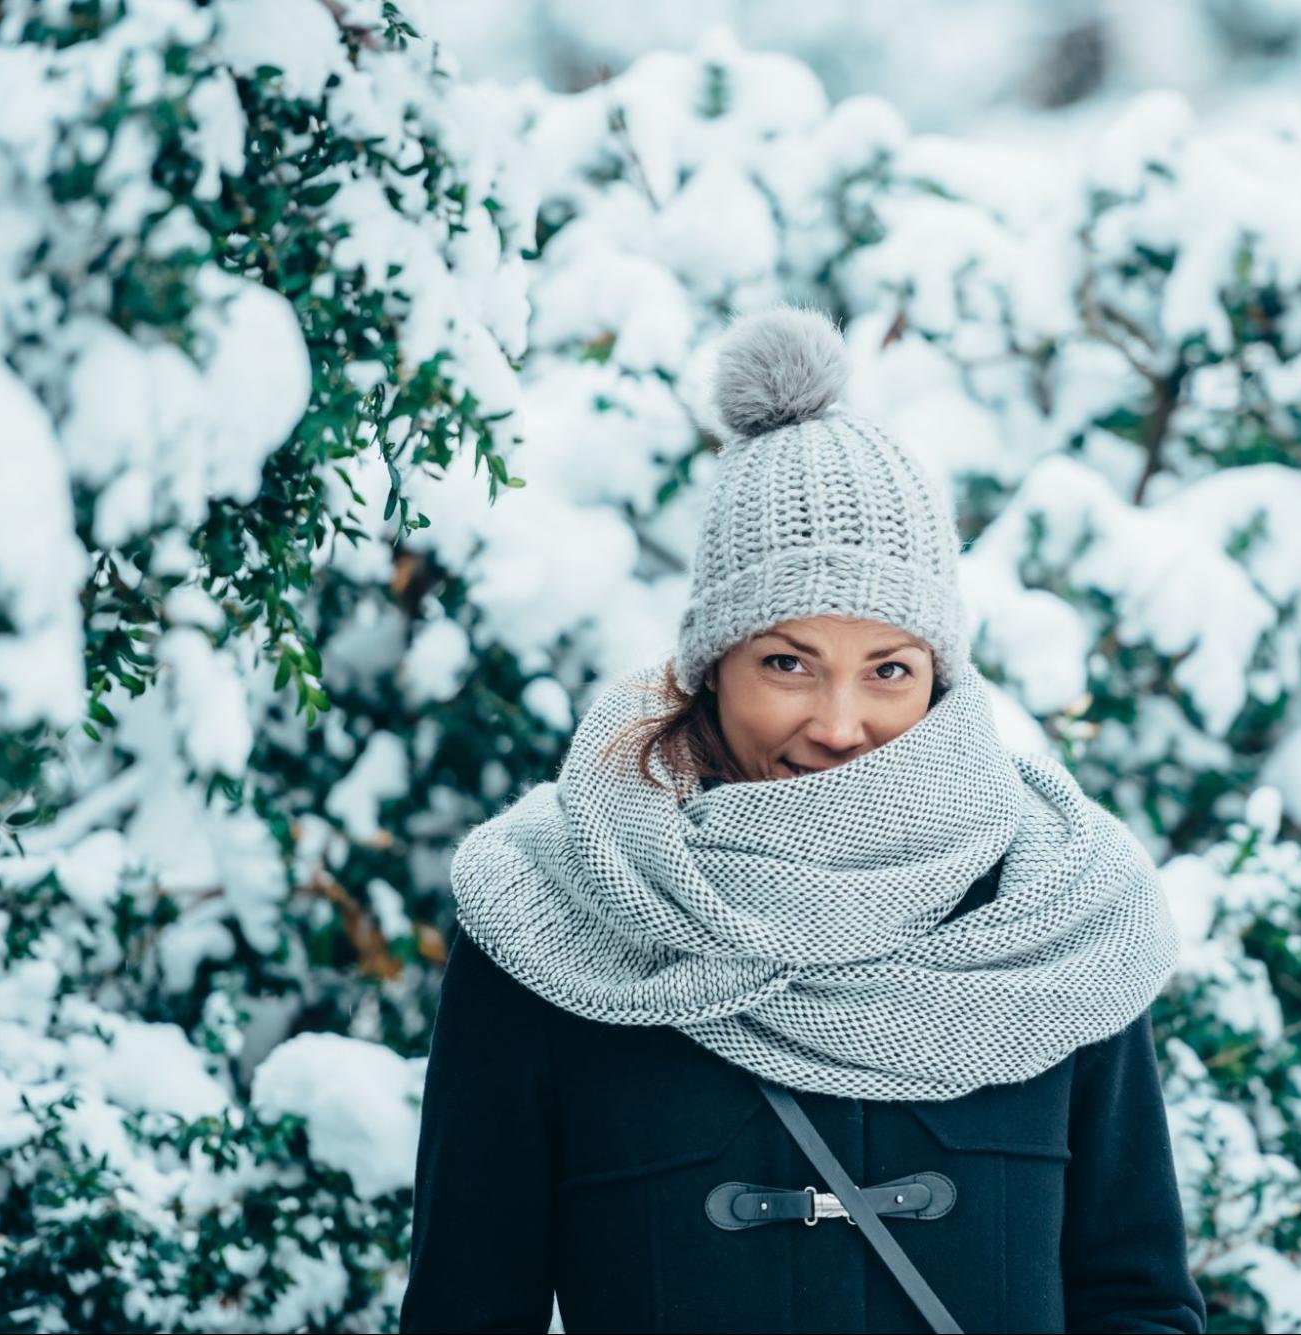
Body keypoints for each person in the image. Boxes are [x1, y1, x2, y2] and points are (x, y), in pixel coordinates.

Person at [399, 305, 1206, 1334]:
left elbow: (1136, 1302)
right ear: (710, 666)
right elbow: (468, 1309)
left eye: (889, 670)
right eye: (787, 663)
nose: (840, 725)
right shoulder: (549, 914)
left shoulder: (1058, 910)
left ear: (940, 675)